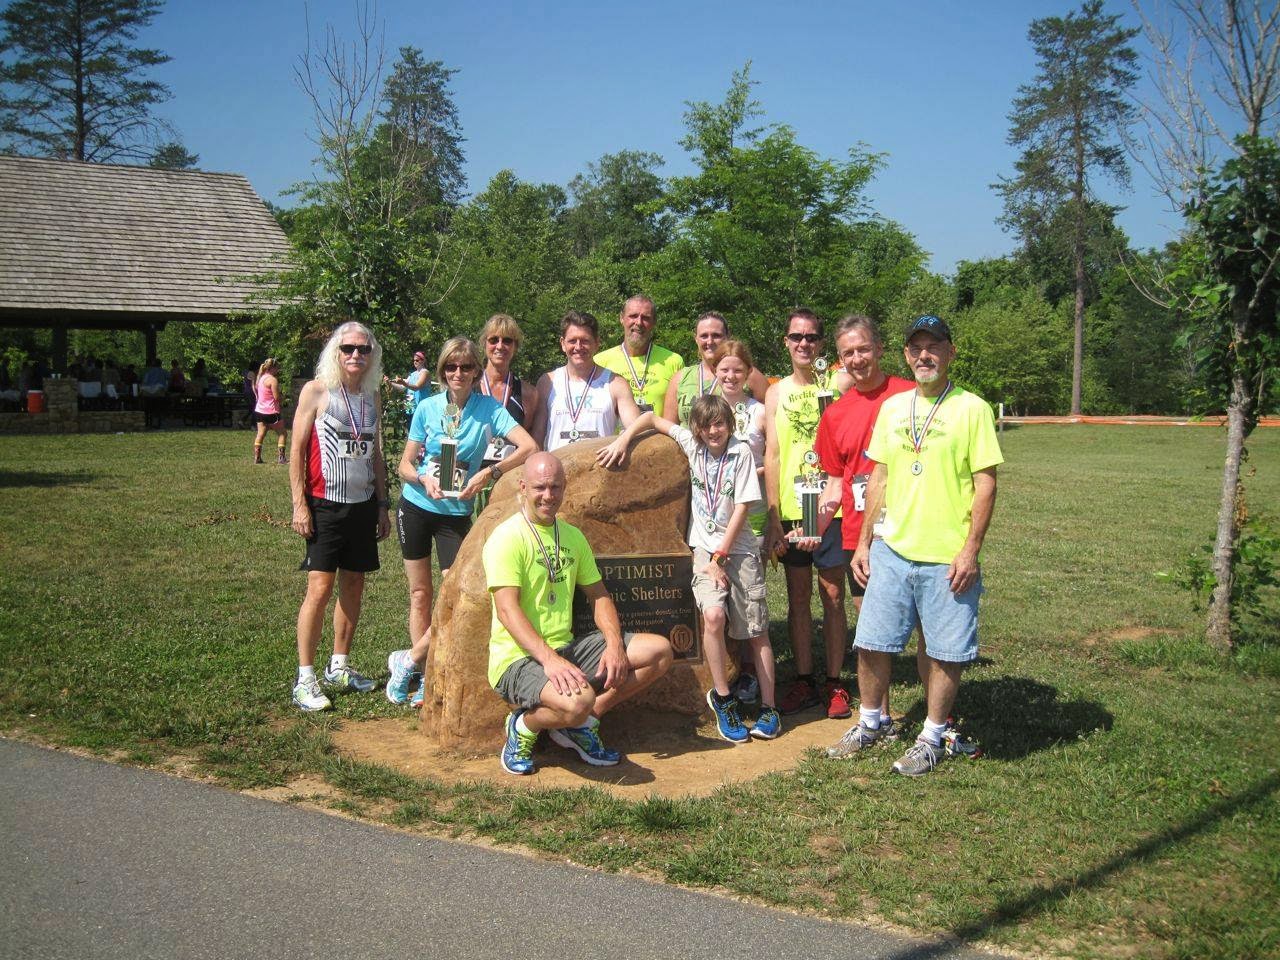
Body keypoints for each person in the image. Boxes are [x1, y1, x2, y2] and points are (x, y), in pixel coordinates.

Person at [838, 314, 1002, 776]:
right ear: (906, 355)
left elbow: (986, 483)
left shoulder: (973, 409)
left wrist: (969, 550)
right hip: (891, 549)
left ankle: (933, 735)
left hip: (947, 556)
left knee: (944, 651)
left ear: (950, 352)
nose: (924, 355)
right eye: (916, 348)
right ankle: (870, 722)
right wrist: (865, 542)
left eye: (934, 346)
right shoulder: (893, 408)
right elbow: (880, 476)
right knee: (872, 642)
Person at [600, 396, 781, 743]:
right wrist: (623, 439)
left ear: (729, 424)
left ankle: (769, 708)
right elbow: (651, 418)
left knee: (755, 630)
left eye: (719, 423)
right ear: (696, 428)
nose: (713, 431)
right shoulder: (691, 444)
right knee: (713, 616)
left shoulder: (741, 453)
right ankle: (723, 698)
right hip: (704, 551)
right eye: (706, 425)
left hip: (738, 551)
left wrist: (721, 556)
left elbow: (742, 507)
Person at [483, 452, 674, 775]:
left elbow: (599, 596)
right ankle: (524, 725)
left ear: (564, 487)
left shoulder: (572, 537)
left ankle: (583, 724)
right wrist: (550, 660)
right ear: (523, 487)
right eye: (540, 487)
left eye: (555, 487)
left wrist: (614, 645)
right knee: (577, 701)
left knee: (660, 652)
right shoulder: (507, 537)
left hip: (567, 649)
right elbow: (506, 610)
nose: (548, 495)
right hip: (517, 659)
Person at [386, 336, 537, 707]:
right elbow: (404, 464)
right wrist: (423, 478)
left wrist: (490, 472)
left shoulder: (489, 408)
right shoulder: (427, 407)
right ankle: (424, 674)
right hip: (417, 506)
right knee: (420, 594)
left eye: (466, 367)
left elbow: (529, 446)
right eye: (451, 366)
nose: (458, 373)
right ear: (442, 371)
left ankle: (411, 659)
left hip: (455, 515)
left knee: (454, 592)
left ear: (475, 371)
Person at [814, 315, 919, 757]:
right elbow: (834, 481)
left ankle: (938, 720)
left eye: (862, 349)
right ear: (839, 361)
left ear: (879, 349)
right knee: (871, 629)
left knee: (926, 630)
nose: (856, 359)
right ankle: (882, 718)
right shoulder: (835, 413)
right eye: (847, 353)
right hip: (864, 536)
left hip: (916, 527)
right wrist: (813, 527)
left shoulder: (911, 395)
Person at [288, 321, 391, 712]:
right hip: (324, 504)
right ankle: (305, 678)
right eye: (348, 348)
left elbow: (376, 454)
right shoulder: (316, 391)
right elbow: (297, 451)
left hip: (362, 504)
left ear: (372, 355)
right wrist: (299, 505)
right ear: (336, 351)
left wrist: (382, 504)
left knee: (354, 584)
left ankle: (339, 667)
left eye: (363, 349)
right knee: (319, 589)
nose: (356, 355)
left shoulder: (372, 396)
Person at [763, 308, 855, 718]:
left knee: (832, 594)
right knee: (798, 597)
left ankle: (835, 681)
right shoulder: (776, 392)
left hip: (832, 505)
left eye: (812, 337)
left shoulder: (838, 382)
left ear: (822, 343)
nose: (804, 344)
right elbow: (772, 454)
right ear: (786, 341)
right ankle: (804, 680)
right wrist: (772, 516)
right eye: (796, 337)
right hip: (793, 505)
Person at [711, 339, 769, 704]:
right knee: (718, 597)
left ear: (748, 373)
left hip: (752, 516)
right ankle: (725, 673)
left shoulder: (759, 410)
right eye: (724, 369)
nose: (731, 376)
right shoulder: (705, 410)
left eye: (738, 370)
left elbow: (772, 459)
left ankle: (748, 672)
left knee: (748, 599)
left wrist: (746, 473)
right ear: (714, 371)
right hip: (715, 520)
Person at [531, 311, 641, 451]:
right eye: (572, 341)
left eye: (585, 341)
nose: (578, 347)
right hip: (556, 464)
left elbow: (636, 430)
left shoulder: (616, 383)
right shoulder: (547, 382)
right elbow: (537, 439)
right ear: (563, 343)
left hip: (600, 464)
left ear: (596, 343)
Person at [473, 313, 543, 515]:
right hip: (471, 480)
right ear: (484, 344)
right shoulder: (469, 388)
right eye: (493, 340)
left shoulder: (529, 393)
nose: (500, 346)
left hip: (509, 483)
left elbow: (531, 447)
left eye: (507, 341)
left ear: (515, 346)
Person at [662, 312, 771, 425]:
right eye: (704, 336)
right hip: (687, 437)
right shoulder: (680, 378)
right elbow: (668, 428)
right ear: (696, 339)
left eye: (716, 335)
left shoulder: (748, 375)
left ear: (727, 337)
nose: (710, 341)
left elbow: (772, 418)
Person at [593, 295, 684, 413]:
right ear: (621, 318)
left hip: (659, 426)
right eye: (633, 316)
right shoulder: (599, 361)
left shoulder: (674, 361)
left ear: (654, 322)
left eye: (646, 318)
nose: (639, 322)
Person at [251, 358, 288, 464]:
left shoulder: (261, 378)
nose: (278, 370)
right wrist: (284, 398)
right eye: (277, 368)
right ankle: (281, 458)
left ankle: (257, 458)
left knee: (260, 434)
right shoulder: (272, 380)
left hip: (259, 410)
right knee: (282, 434)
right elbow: (276, 397)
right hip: (271, 411)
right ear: (272, 368)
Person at [386, 350, 431, 426]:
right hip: (410, 407)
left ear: (423, 361)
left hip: (421, 408)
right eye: (414, 360)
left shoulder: (425, 372)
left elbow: (417, 387)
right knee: (410, 430)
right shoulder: (412, 374)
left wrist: (403, 382)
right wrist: (390, 383)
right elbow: (402, 388)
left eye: (417, 360)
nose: (415, 362)